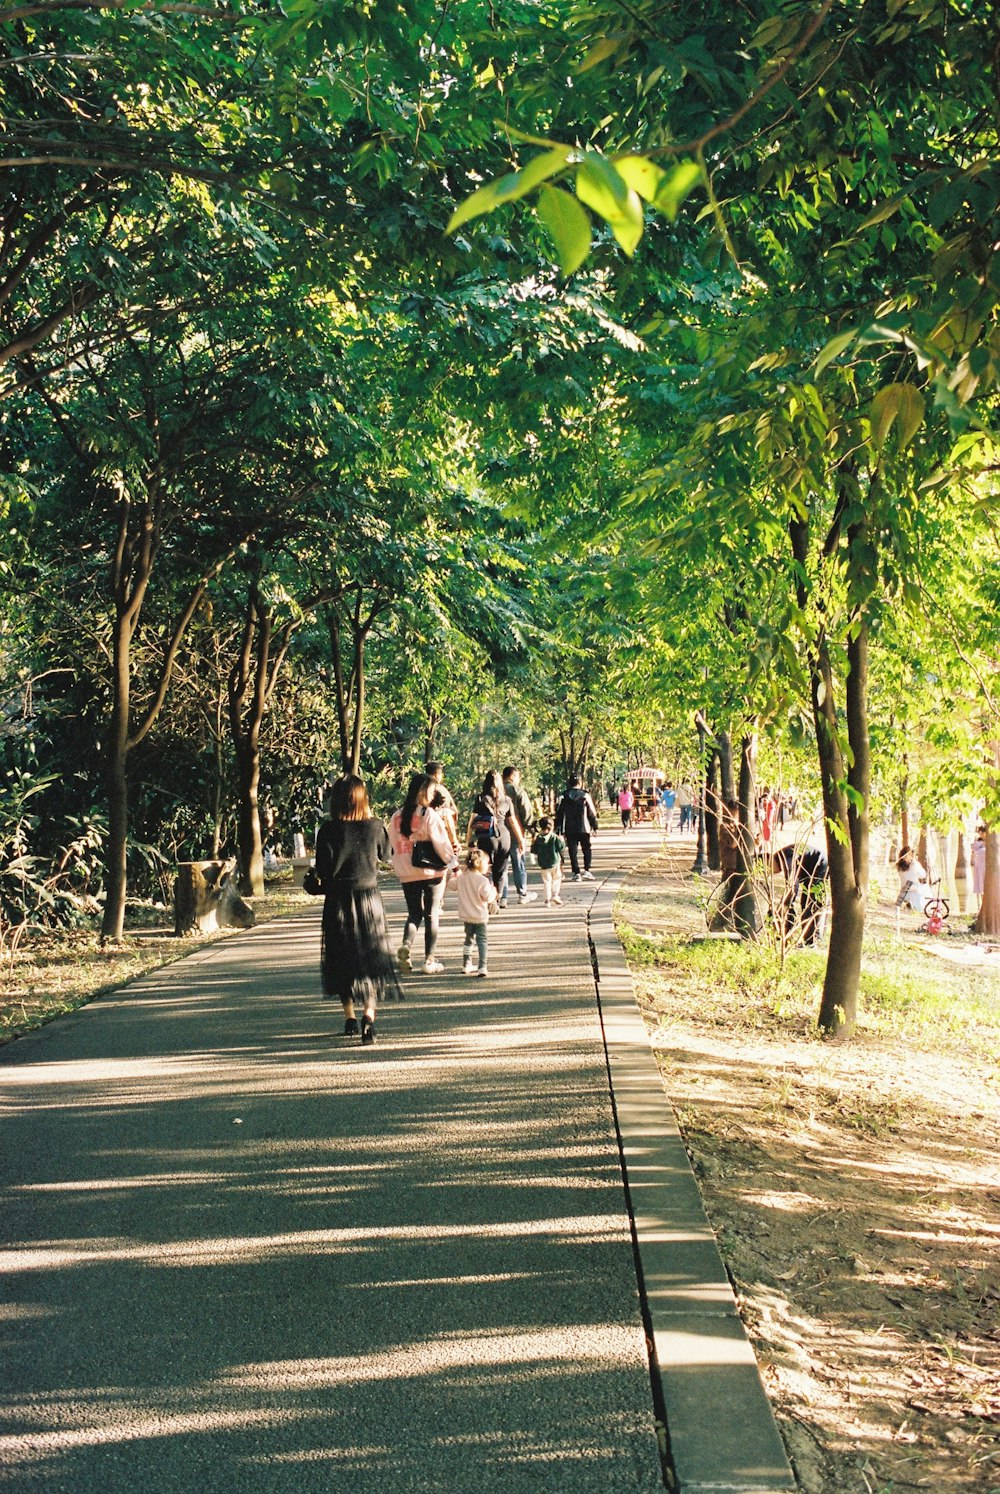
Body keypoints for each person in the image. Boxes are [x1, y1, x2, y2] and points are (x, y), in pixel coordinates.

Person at [314, 773, 402, 1045]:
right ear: (363, 799)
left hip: (338, 902)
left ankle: (349, 1016)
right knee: (371, 959)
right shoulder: (374, 826)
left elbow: (323, 870)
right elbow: (387, 854)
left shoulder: (327, 830)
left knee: (342, 959)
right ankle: (369, 1019)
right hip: (369, 901)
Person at [388, 772, 456, 974]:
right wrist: (453, 864)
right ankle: (429, 961)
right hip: (431, 872)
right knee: (432, 915)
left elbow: (393, 844)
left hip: (407, 872)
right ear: (423, 792)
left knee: (414, 914)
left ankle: (406, 947)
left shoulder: (396, 816)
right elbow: (442, 845)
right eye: (432, 791)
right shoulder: (429, 815)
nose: (434, 794)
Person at [468, 769, 524, 907]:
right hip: (504, 837)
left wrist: (469, 840)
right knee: (500, 871)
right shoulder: (506, 800)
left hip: (486, 837)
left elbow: (472, 820)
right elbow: (512, 822)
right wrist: (521, 840)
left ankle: (488, 899)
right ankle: (497, 899)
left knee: (485, 869)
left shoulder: (481, 798)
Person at [769, 843, 829, 945]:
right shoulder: (782, 856)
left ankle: (811, 940)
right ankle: (805, 938)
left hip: (819, 863)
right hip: (810, 867)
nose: (772, 873)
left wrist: (784, 906)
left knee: (812, 904)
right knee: (803, 904)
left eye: (768, 869)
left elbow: (793, 887)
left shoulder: (785, 858)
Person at [455, 846, 496, 976]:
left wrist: (455, 873)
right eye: (487, 863)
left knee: (468, 940)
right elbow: (488, 897)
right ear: (479, 864)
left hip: (466, 916)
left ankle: (466, 964)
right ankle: (482, 966)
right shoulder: (482, 880)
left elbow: (451, 885)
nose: (488, 866)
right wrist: (493, 890)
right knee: (482, 941)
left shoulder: (462, 878)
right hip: (480, 917)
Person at [500, 766, 538, 905]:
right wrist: (532, 829)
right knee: (518, 863)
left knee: (502, 865)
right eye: (517, 777)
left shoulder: (496, 790)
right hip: (516, 832)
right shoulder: (517, 791)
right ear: (512, 776)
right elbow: (526, 812)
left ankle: (502, 896)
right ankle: (522, 894)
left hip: (498, 833)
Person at [555, 775, 599, 881]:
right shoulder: (585, 795)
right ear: (580, 783)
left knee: (572, 851)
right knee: (586, 849)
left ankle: (576, 872)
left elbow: (559, 813)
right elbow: (591, 813)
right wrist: (595, 826)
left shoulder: (563, 796)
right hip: (584, 828)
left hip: (569, 828)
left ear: (569, 783)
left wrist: (558, 829)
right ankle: (587, 870)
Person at [425, 760, 461, 852]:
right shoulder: (440, 791)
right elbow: (448, 816)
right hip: (440, 837)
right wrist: (454, 841)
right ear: (437, 774)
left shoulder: (418, 790)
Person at [530, 817, 566, 905]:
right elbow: (561, 848)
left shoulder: (538, 838)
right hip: (555, 862)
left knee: (547, 882)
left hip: (543, 864)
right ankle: (555, 895)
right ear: (552, 827)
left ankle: (547, 900)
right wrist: (562, 841)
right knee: (557, 879)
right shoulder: (554, 837)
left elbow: (533, 850)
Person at [895, 847, 928, 913]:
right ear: (911, 855)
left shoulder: (899, 865)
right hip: (914, 891)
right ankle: (916, 906)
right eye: (912, 854)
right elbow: (923, 875)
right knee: (925, 887)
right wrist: (915, 863)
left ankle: (908, 905)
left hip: (904, 891)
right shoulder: (915, 864)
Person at [972, 824, 986, 909]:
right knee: (980, 886)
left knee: (985, 885)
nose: (981, 835)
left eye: (982, 833)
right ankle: (982, 905)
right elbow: (973, 848)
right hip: (979, 867)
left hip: (985, 866)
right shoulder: (978, 842)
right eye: (980, 833)